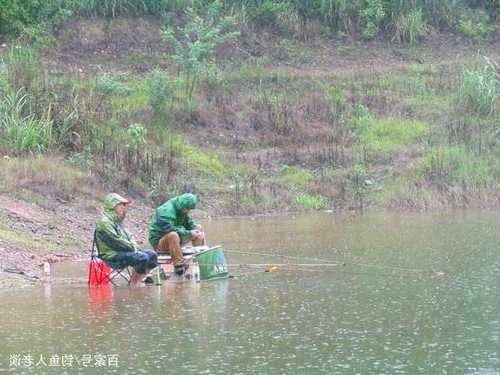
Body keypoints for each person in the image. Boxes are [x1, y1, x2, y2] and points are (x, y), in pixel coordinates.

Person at [95, 193, 158, 285]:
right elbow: (116, 241)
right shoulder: (104, 222)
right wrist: (133, 248)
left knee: (152, 255)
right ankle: (134, 285)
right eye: (122, 204)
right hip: (111, 255)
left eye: (125, 205)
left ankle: (136, 282)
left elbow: (129, 236)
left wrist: (135, 247)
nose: (124, 207)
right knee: (142, 257)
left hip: (124, 251)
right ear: (113, 205)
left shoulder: (117, 221)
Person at [148, 193, 205, 275]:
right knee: (173, 235)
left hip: (176, 239)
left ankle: (201, 259)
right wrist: (189, 233)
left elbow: (188, 222)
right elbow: (170, 229)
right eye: (187, 209)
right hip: (159, 243)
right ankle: (179, 265)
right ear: (182, 205)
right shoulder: (166, 210)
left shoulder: (181, 209)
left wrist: (195, 229)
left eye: (189, 209)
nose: (188, 211)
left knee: (198, 227)